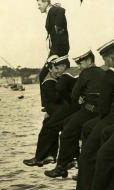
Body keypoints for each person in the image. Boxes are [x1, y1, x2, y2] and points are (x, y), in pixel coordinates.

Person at [67, 38, 114, 190]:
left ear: (112, 59)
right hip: (112, 118)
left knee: (91, 153)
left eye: (106, 60)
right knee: (92, 135)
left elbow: (104, 106)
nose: (106, 64)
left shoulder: (112, 74)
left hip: (111, 117)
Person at [44, 50, 105, 178]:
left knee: (66, 134)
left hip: (89, 110)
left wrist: (79, 97)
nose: (79, 66)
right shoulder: (102, 72)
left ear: (89, 61)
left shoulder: (85, 73)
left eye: (80, 63)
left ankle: (61, 166)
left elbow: (74, 94)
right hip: (100, 111)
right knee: (67, 123)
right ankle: (74, 160)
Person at [24, 55, 72, 166]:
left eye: (58, 68)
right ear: (49, 69)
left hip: (61, 111)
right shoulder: (48, 82)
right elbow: (54, 98)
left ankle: (41, 157)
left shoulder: (58, 79)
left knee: (47, 129)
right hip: (58, 110)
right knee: (49, 129)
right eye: (54, 69)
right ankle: (49, 156)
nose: (57, 71)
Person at [37, 0, 70, 108]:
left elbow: (61, 10)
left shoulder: (54, 10)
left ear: (46, 2)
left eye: (39, 4)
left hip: (57, 50)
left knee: (43, 75)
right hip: (56, 49)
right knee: (58, 76)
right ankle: (58, 101)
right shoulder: (51, 11)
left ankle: (47, 105)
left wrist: (58, 28)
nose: (38, 7)